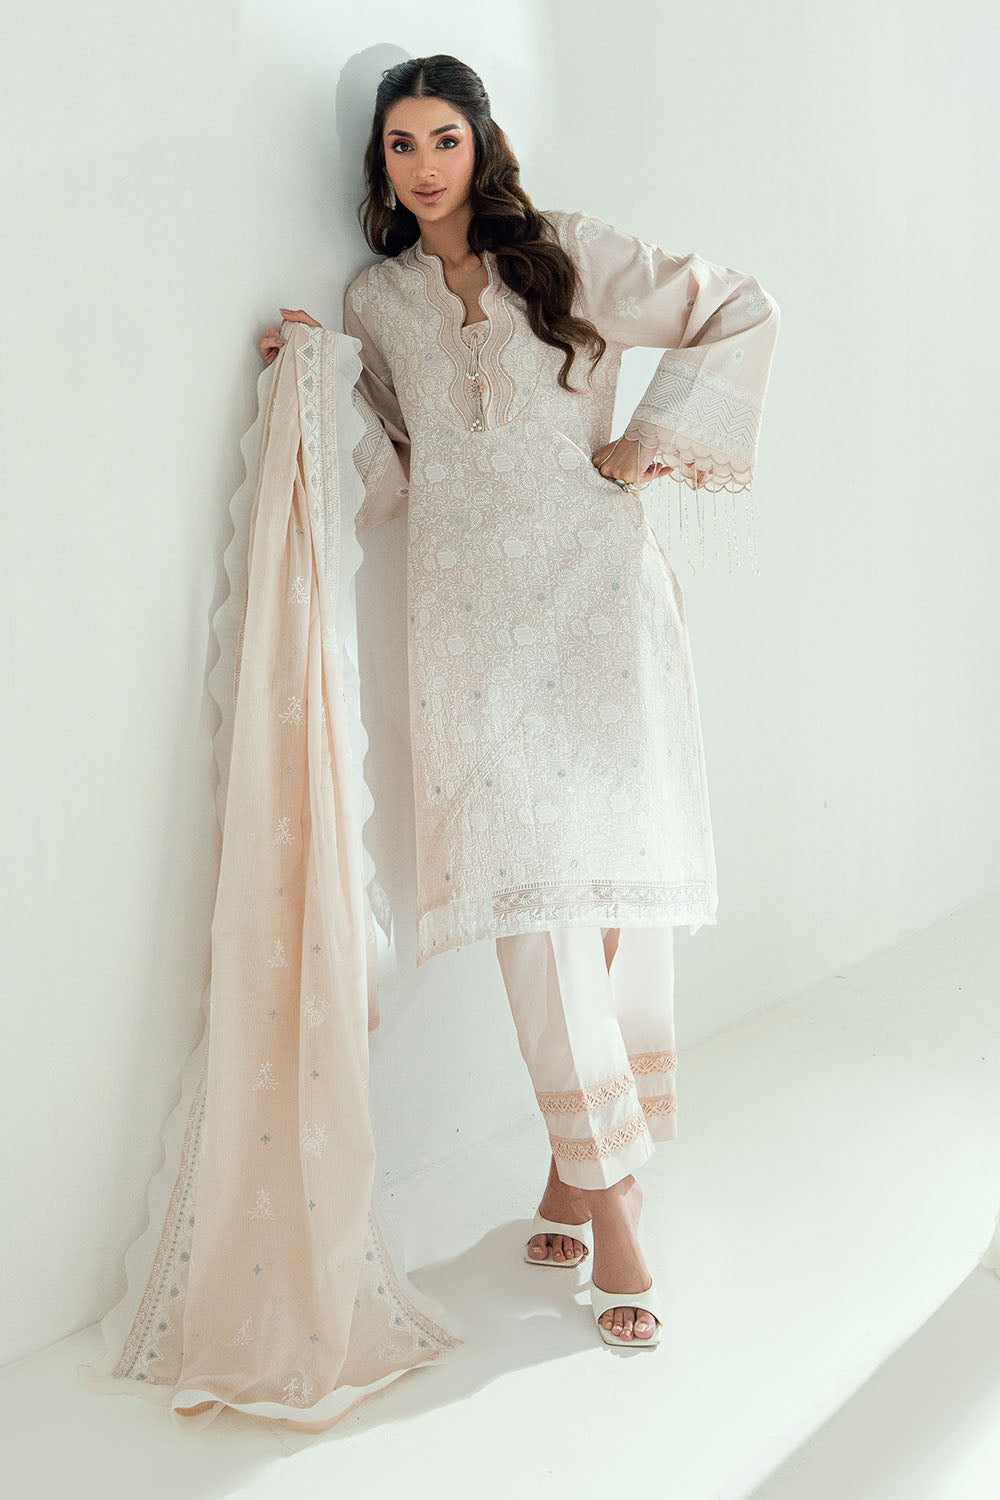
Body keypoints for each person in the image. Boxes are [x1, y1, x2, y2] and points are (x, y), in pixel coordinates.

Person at [258, 54, 779, 1347]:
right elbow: (391, 478)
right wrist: (317, 377)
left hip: (596, 596)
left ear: (482, 144)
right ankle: (611, 1195)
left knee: (603, 890)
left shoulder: (570, 254)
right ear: (380, 164)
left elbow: (742, 306)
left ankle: (579, 1181)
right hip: (470, 624)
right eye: (401, 145)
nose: (424, 165)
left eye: (444, 138)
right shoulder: (378, 298)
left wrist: (647, 442)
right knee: (532, 903)